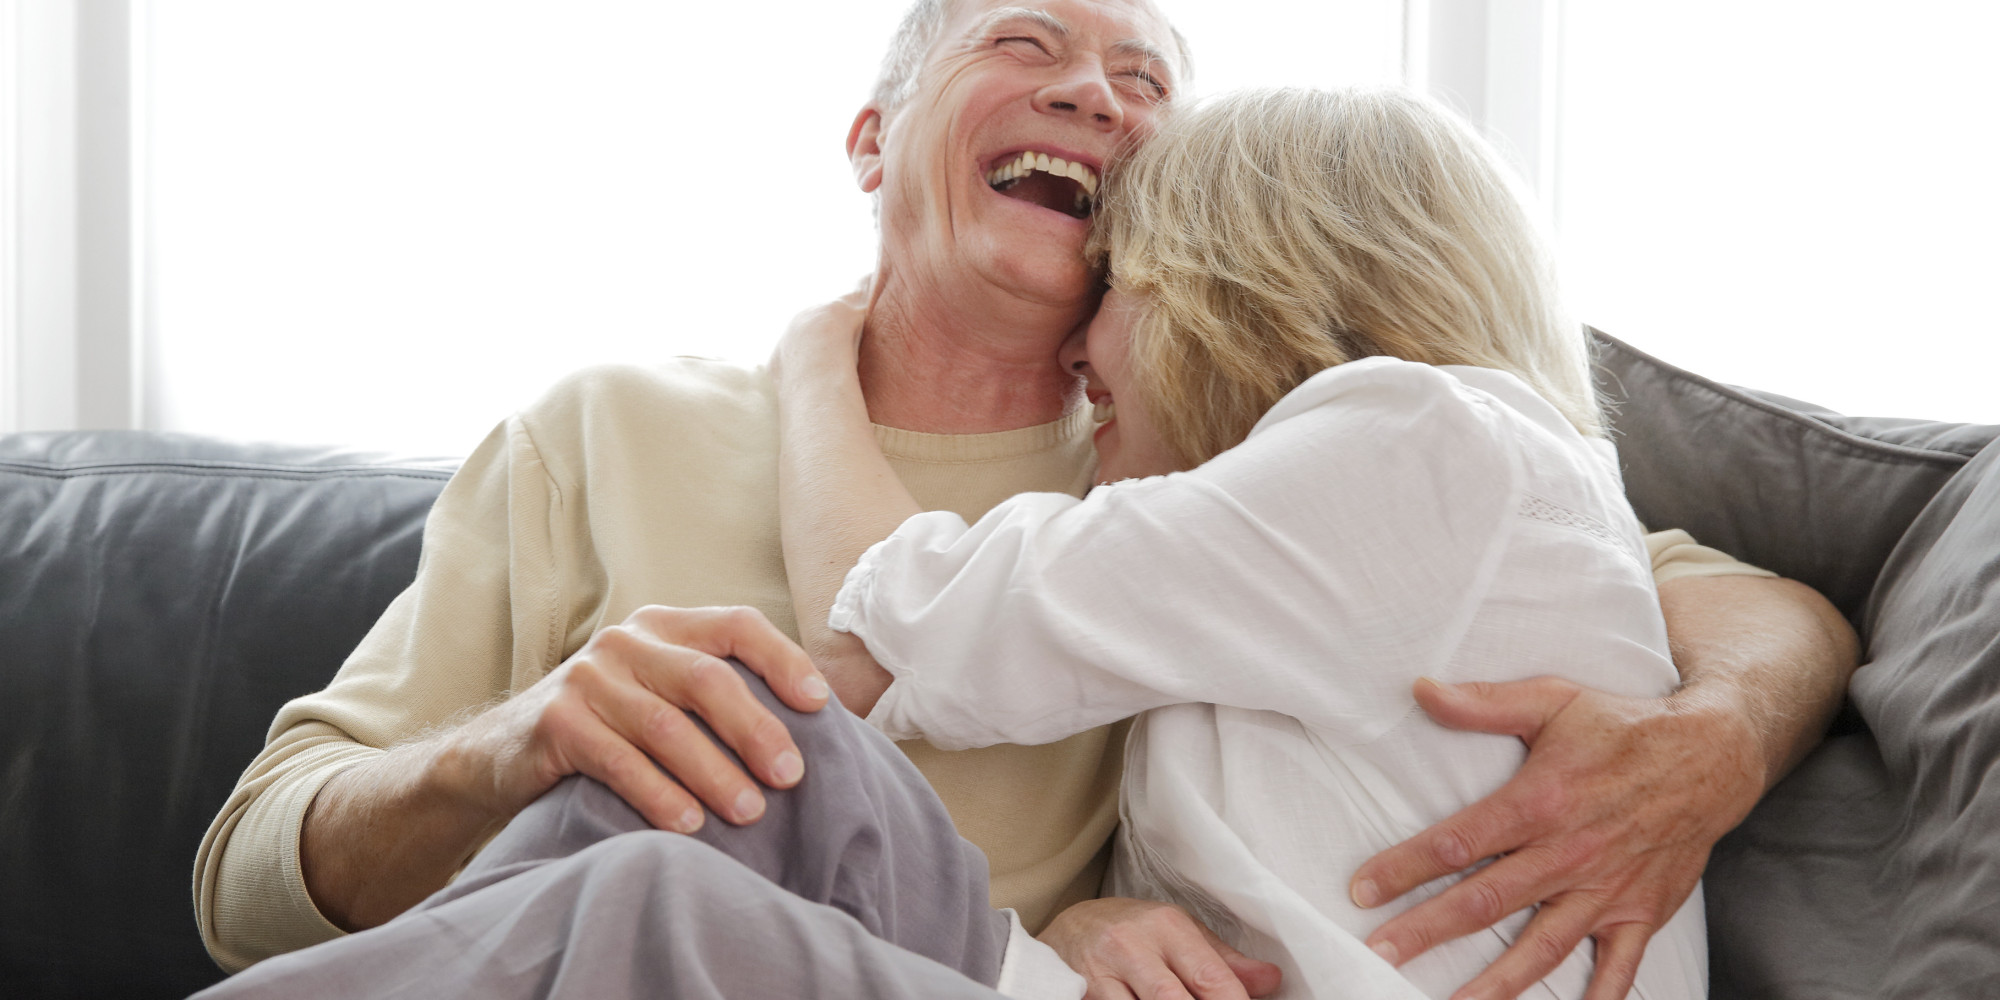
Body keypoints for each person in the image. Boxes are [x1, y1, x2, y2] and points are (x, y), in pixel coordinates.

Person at [193, 2, 1859, 998]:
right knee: (721, 765)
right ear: (872, 139)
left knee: (688, 844)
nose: (1099, 93)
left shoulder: (1262, 471)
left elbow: (1752, 608)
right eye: (1028, 40)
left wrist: (1710, 743)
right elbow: (252, 880)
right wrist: (526, 736)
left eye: (1148, 82)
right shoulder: (600, 430)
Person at [771, 85, 1706, 998]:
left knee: (699, 843)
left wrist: (815, 354)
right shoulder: (1484, 481)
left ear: (1226, 283)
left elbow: (876, 639)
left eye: (1116, 278)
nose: (1076, 348)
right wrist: (1091, 927)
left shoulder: (1415, 447)